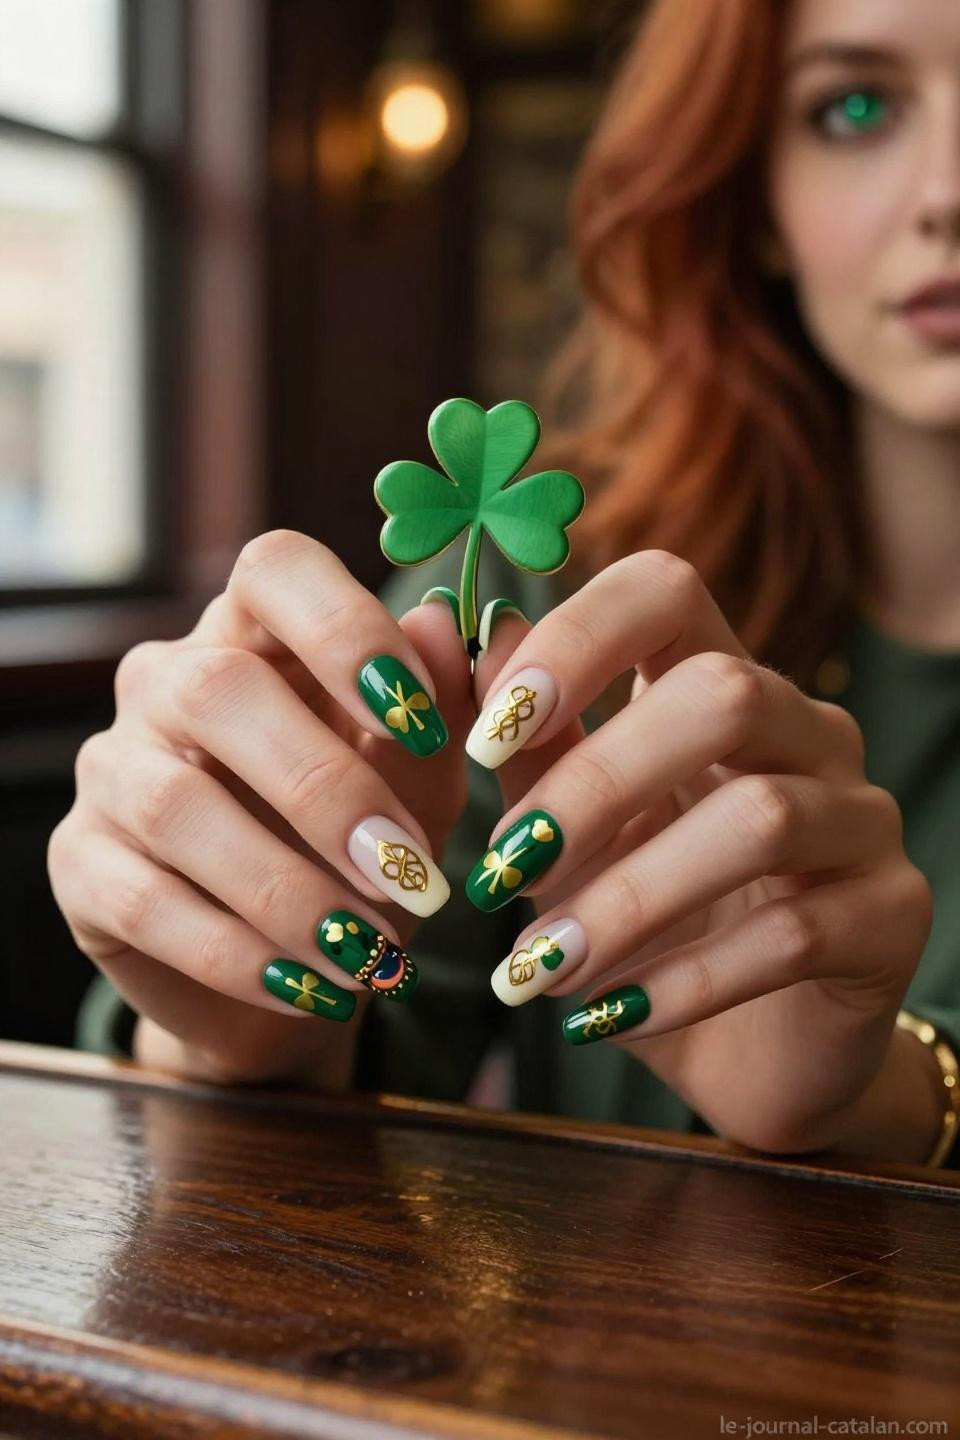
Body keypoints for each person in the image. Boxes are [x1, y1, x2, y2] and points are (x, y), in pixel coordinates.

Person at [52, 0, 960, 1167]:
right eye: (854, 106)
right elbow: (374, 1029)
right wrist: (241, 1026)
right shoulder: (556, 587)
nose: (948, 193)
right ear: (759, 199)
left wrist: (890, 1097)